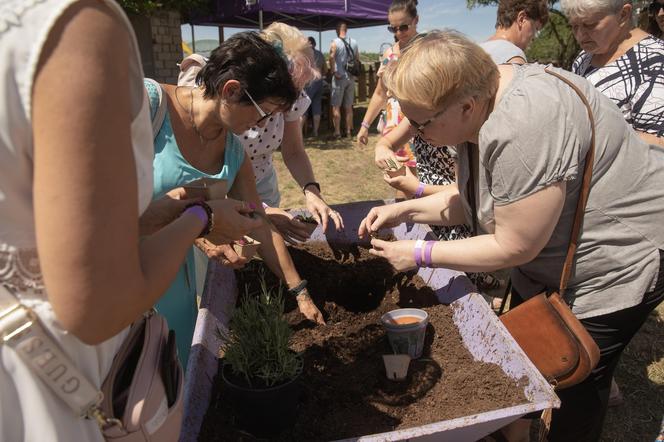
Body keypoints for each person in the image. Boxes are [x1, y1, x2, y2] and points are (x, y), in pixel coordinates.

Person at [358, 30, 664, 441]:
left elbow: (515, 244)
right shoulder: (480, 103)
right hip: (554, 260)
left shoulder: (525, 123)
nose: (412, 132)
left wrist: (417, 252)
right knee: (525, 356)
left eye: (420, 122)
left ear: (466, 105)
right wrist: (404, 208)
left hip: (617, 261)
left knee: (575, 376)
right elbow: (474, 202)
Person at [0, 0, 260, 439]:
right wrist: (202, 217)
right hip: (49, 386)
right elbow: (98, 307)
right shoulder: (80, 28)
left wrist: (161, 217)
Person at [150, 32, 326, 367]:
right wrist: (203, 229)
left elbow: (258, 221)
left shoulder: (233, 150)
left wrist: (299, 291)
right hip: (119, 277)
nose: (262, 125)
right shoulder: (151, 107)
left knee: (168, 379)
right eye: (263, 114)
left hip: (174, 283)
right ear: (231, 90)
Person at [178, 23, 344, 248]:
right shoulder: (227, 94)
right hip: (215, 192)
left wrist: (311, 190)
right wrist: (263, 213)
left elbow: (293, 151)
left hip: (261, 186)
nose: (288, 101)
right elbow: (200, 171)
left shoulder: (291, 99)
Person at [562, 0, 664, 147]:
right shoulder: (583, 59)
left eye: (590, 24)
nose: (580, 35)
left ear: (623, 15)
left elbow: (657, 143)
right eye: (574, 26)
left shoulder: (655, 60)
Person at [356, 0, 421, 148]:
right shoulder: (389, 55)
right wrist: (365, 126)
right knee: (391, 168)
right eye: (393, 29)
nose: (398, 33)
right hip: (393, 126)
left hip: (421, 128)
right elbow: (380, 94)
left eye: (403, 27)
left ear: (416, 20)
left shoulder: (427, 49)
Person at [480, 0, 548, 64]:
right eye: (536, 29)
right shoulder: (514, 56)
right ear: (521, 19)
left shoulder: (477, 50)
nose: (534, 37)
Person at [329, 20, 359, 139]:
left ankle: (337, 132)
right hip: (350, 78)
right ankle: (348, 131)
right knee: (348, 107)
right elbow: (357, 59)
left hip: (339, 77)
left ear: (337, 30)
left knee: (336, 106)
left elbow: (331, 57)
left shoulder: (334, 42)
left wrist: (333, 71)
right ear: (346, 30)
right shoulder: (355, 42)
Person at [303, 36, 326, 138]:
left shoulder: (305, 54)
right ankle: (315, 131)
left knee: (303, 107)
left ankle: (299, 132)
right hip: (319, 82)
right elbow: (325, 68)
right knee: (317, 106)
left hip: (309, 82)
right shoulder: (320, 54)